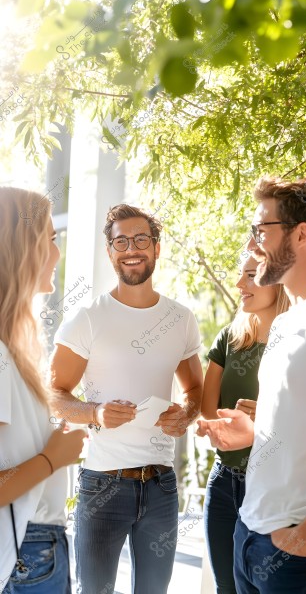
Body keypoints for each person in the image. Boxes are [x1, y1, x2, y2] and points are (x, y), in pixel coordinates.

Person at [49, 203, 203, 594]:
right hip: (103, 485)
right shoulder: (87, 318)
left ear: (156, 247)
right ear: (110, 250)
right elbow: (54, 394)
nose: (131, 248)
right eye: (121, 240)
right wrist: (96, 411)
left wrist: (185, 414)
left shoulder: (180, 318)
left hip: (162, 486)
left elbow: (196, 391)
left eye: (140, 239)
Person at [197, 176, 306, 594]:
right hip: (249, 533)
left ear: (302, 234)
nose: (254, 243)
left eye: (262, 230)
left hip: (294, 549)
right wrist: (253, 433)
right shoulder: (288, 321)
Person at [0, 187, 86, 594]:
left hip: (35, 544)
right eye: (51, 239)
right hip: (27, 550)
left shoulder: (12, 350)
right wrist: (53, 458)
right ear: (22, 247)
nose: (57, 252)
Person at [202, 254, 289, 594]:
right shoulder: (230, 339)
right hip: (225, 482)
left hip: (274, 487)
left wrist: (265, 417)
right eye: (240, 275)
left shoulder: (300, 343)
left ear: (279, 279)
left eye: (251, 275)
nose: (240, 284)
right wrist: (215, 425)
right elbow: (209, 414)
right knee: (227, 588)